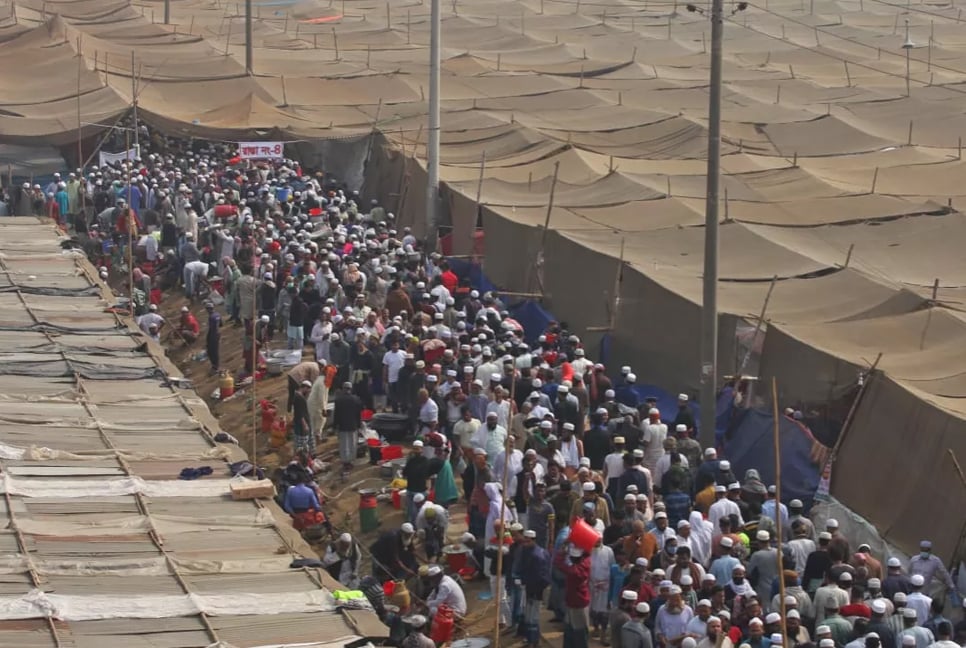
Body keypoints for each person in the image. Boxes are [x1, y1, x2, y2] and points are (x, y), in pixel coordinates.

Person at [519, 528, 552, 648]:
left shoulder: (538, 555)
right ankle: (530, 639)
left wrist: (539, 589)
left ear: (533, 540)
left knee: (533, 616)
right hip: (529, 588)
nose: (525, 543)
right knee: (529, 615)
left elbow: (543, 575)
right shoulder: (528, 551)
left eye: (527, 541)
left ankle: (533, 641)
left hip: (536, 590)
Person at [556, 543, 592, 648]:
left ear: (571, 558)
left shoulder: (573, 571)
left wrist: (562, 553)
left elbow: (558, 563)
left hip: (574, 604)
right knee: (580, 631)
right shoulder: (586, 564)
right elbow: (587, 555)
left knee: (575, 632)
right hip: (582, 602)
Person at [332, 381, 362, 470]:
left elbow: (336, 415)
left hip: (342, 426)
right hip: (353, 425)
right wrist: (359, 425)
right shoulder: (356, 399)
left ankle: (345, 462)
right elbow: (358, 414)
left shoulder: (338, 400)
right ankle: (351, 460)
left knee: (344, 444)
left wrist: (334, 426)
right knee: (352, 443)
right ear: (351, 389)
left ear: (343, 389)